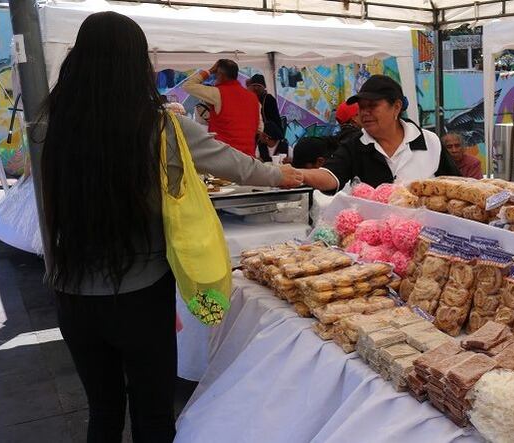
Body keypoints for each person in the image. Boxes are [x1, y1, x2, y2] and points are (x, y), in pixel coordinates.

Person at [39, 12, 303, 442]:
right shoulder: (159, 126)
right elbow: (233, 164)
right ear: (135, 64)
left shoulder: (52, 127)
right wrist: (290, 175)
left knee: (102, 412)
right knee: (154, 414)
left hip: (71, 291)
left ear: (78, 60)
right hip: (141, 294)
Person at [302, 75, 459, 192]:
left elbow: (455, 185)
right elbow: (330, 176)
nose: (365, 113)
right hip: (375, 232)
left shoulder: (429, 141)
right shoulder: (355, 145)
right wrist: (299, 175)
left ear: (396, 107)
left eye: (372, 106)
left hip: (425, 233)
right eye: (362, 107)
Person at [183, 59, 260, 157]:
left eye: (216, 75)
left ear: (220, 74)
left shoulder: (218, 93)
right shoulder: (253, 97)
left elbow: (187, 86)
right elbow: (259, 127)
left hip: (225, 156)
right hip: (249, 156)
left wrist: (209, 71)